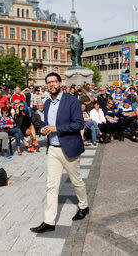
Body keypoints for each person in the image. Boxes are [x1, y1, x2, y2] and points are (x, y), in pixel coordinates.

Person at [30, 72, 88, 234]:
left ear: (60, 83)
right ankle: (49, 221)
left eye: (54, 81)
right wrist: (45, 129)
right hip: (53, 149)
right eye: (48, 82)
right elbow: (49, 124)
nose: (51, 85)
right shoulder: (47, 103)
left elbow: (78, 124)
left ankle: (84, 205)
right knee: (52, 185)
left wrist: (56, 129)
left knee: (76, 181)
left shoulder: (71, 101)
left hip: (68, 147)